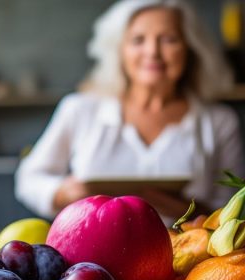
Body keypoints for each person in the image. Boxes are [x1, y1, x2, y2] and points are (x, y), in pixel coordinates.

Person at [15, 0, 245, 222]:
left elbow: (233, 209)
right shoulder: (80, 109)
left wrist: (187, 210)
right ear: (119, 50)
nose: (152, 51)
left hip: (184, 255)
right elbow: (29, 178)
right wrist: (65, 193)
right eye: (138, 40)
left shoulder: (219, 122)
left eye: (169, 39)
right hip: (90, 254)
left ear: (191, 48)